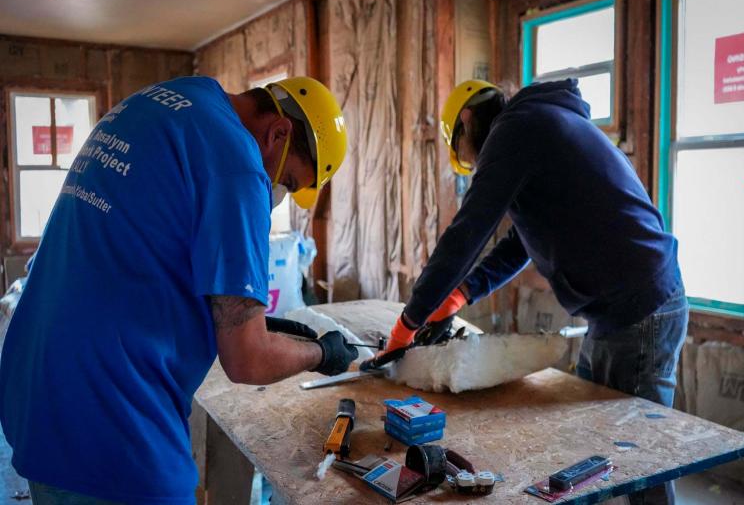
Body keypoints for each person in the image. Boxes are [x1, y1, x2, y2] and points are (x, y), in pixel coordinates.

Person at [0, 75, 358, 504]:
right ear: (278, 134)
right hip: (111, 418)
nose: (278, 194)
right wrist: (322, 354)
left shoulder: (163, 101)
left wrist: (237, 315)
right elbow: (247, 359)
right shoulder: (239, 162)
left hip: (39, 396)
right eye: (290, 182)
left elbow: (140, 253)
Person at [373, 79, 687, 505]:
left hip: (640, 306)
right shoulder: (539, 125)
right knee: (594, 452)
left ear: (467, 120)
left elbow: (468, 231)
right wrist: (461, 293)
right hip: (623, 306)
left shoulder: (518, 128)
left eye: (466, 155)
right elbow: (520, 244)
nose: (474, 165)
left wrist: (408, 323)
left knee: (638, 459)